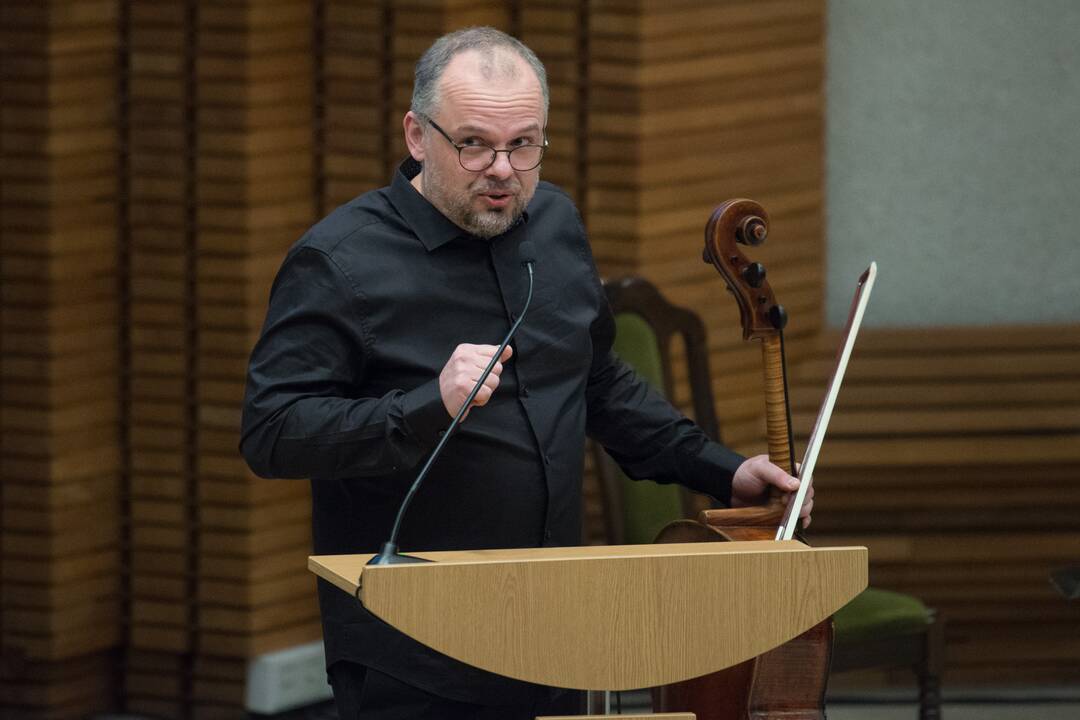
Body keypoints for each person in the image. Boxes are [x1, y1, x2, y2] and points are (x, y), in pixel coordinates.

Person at [241, 26, 813, 720]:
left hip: (552, 627)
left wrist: (721, 470)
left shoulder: (555, 223)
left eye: (525, 144)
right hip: (415, 645)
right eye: (475, 143)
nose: (504, 169)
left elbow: (598, 381)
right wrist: (428, 404)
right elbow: (273, 433)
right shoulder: (339, 262)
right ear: (418, 136)